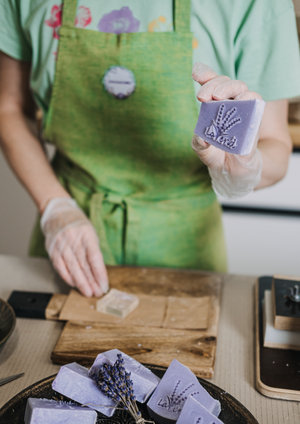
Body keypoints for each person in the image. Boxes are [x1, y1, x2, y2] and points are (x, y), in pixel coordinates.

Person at [0, 0, 299, 298]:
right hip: (69, 232)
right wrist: (56, 207)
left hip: (186, 245)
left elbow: (274, 143)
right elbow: (9, 108)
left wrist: (245, 168)